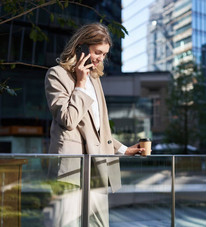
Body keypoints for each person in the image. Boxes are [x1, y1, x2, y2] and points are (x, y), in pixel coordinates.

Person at [44, 23, 144, 227]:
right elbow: (68, 120)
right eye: (98, 52)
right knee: (67, 224)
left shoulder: (95, 80)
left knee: (99, 224)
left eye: (105, 54)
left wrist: (124, 150)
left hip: (98, 166)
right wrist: (80, 85)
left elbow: (99, 130)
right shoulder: (56, 75)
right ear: (81, 46)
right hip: (72, 168)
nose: (101, 58)